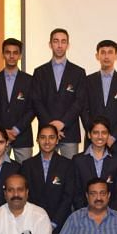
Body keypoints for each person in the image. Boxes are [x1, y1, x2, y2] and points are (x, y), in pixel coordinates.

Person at [31, 28, 86, 158]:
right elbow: (36, 101)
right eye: (56, 41)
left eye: (63, 41)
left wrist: (62, 123)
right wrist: (51, 125)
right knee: (47, 171)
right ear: (50, 44)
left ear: (68, 45)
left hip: (69, 131)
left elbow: (79, 102)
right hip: (46, 133)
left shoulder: (78, 72)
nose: (60, 45)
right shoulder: (40, 72)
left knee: (70, 171)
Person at [19, 123, 75, 234]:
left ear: (57, 140)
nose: (47, 141)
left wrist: (54, 223)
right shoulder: (27, 165)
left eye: (51, 137)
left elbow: (68, 197)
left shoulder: (67, 164)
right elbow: (25, 197)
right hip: (33, 225)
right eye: (43, 137)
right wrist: (37, 222)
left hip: (60, 226)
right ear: (37, 140)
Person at [80, 39, 117, 156]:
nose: (106, 56)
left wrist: (112, 137)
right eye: (103, 52)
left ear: (116, 56)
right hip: (92, 142)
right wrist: (92, 133)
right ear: (97, 56)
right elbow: (83, 109)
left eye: (110, 52)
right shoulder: (87, 81)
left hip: (116, 142)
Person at [0, 38, 35, 163]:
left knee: (25, 174)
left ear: (20, 55)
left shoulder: (30, 80)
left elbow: (32, 109)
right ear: (3, 54)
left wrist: (16, 130)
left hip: (22, 135)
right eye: (8, 52)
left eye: (15, 52)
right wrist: (2, 131)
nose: (11, 56)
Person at [73, 116, 117, 211]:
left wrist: (110, 215)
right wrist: (86, 214)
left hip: (110, 216)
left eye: (104, 133)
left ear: (108, 135)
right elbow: (76, 193)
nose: (100, 136)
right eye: (96, 133)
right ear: (89, 135)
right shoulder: (78, 160)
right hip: (84, 216)